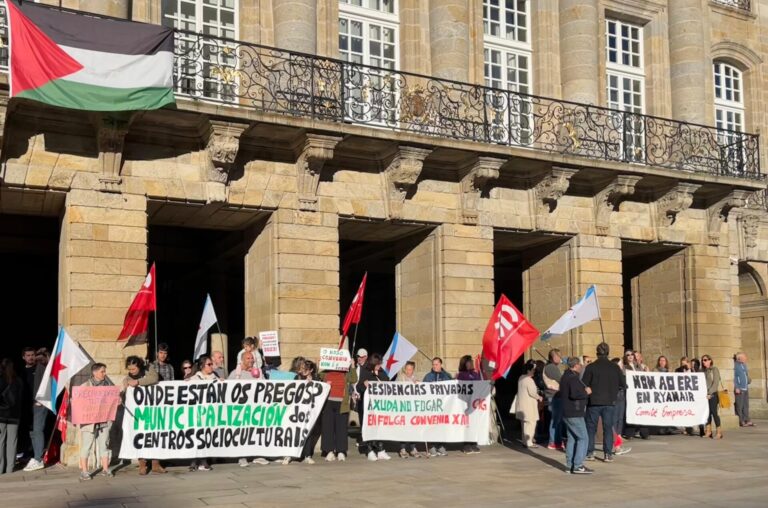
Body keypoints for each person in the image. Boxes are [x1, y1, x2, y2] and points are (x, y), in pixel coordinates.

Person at [582, 342, 624, 463]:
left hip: (594, 401)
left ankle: (590, 452)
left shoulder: (591, 367)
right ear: (608, 353)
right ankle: (607, 454)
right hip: (609, 401)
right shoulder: (614, 367)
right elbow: (623, 383)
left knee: (591, 428)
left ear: (597, 353)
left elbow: (584, 383)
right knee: (608, 428)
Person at [122, 356, 163, 475]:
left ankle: (155, 464)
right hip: (139, 413)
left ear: (139, 366)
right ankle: (142, 464)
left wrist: (138, 382)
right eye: (129, 369)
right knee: (140, 436)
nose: (132, 371)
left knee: (155, 435)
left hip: (153, 410)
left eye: (134, 369)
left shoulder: (148, 368)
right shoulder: (128, 377)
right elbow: (126, 388)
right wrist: (125, 387)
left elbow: (154, 378)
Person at [78, 363, 114, 481]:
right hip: (89, 422)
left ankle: (105, 469)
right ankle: (84, 471)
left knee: (104, 445)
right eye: (102, 371)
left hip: (103, 421)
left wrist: (117, 400)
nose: (104, 373)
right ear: (95, 372)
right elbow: (78, 402)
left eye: (104, 371)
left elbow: (112, 402)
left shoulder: (108, 385)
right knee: (86, 446)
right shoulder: (85, 386)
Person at [320, 357, 357, 463]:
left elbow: (354, 379)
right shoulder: (325, 373)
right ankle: (329, 451)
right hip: (328, 403)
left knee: (341, 428)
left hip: (342, 404)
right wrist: (319, 364)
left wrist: (352, 365)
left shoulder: (345, 373)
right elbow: (318, 376)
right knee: (328, 428)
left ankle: (341, 451)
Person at [560, 357, 593, 474]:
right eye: (580, 364)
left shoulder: (565, 376)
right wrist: (586, 392)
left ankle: (569, 465)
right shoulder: (572, 378)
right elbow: (574, 394)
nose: (581, 366)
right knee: (583, 437)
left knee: (572, 438)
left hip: (567, 412)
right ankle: (578, 465)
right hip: (574, 412)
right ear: (576, 366)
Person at [358, 353, 391, 461]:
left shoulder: (381, 371)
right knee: (369, 427)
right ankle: (369, 450)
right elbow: (359, 387)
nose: (379, 366)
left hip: (379, 406)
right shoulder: (365, 371)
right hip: (369, 407)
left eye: (380, 364)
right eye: (378, 364)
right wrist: (364, 384)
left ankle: (381, 450)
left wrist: (378, 374)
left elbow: (387, 381)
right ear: (373, 364)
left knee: (380, 427)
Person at [188, 355, 218, 471]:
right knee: (197, 436)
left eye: (212, 364)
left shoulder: (215, 378)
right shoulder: (194, 379)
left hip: (210, 413)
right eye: (209, 364)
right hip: (197, 413)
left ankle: (204, 461)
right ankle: (194, 461)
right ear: (202, 366)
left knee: (206, 436)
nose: (211, 366)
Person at [23, 347, 49, 472]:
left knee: (38, 430)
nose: (31, 357)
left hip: (39, 403)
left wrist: (41, 399)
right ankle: (35, 456)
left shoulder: (41, 367)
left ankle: (38, 459)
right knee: (32, 432)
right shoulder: (22, 371)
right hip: (27, 406)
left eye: (33, 355)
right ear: (23, 357)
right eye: (28, 355)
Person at [422, 357, 452, 457]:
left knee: (442, 426)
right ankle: (432, 446)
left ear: (441, 364)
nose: (434, 366)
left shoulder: (447, 376)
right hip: (432, 406)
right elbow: (423, 390)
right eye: (433, 364)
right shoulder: (428, 377)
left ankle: (441, 445)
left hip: (443, 407)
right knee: (432, 426)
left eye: (436, 364)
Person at [0, 358, 23, 474]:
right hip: (14, 415)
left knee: (0, 441)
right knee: (12, 441)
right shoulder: (19, 381)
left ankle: (0, 468)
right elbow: (21, 399)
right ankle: (10, 468)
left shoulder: (0, 380)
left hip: (1, 415)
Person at [513, 360, 542, 448]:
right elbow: (532, 393)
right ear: (528, 370)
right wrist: (539, 397)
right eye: (533, 370)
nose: (534, 372)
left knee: (524, 424)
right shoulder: (529, 380)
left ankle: (524, 441)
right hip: (529, 405)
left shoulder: (521, 378)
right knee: (531, 423)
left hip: (522, 404)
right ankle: (529, 442)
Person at [456, 355, 481, 454]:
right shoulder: (461, 375)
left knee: (474, 423)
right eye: (469, 362)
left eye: (472, 361)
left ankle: (473, 443)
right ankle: (466, 444)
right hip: (465, 403)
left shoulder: (476, 374)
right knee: (467, 424)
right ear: (464, 363)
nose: (471, 363)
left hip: (475, 403)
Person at [298, 360, 321, 464]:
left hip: (310, 411)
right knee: (297, 432)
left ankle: (307, 455)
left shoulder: (315, 379)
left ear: (311, 370)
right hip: (298, 410)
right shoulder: (298, 377)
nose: (303, 371)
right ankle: (292, 454)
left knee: (308, 432)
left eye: (306, 369)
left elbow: (320, 390)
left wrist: (312, 382)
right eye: (303, 368)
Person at [396, 361, 421, 458]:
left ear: (413, 370)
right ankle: (402, 448)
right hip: (403, 408)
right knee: (403, 428)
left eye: (410, 369)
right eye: (406, 369)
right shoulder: (400, 378)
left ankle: (413, 448)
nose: (408, 371)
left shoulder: (416, 379)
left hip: (413, 409)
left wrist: (418, 384)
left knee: (413, 428)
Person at [543, 349, 564, 450]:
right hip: (554, 395)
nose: (560, 358)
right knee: (556, 419)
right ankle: (553, 442)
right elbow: (561, 379)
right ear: (552, 357)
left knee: (557, 419)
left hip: (555, 395)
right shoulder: (551, 367)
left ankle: (557, 441)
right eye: (558, 356)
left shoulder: (551, 366)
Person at [702, 355, 723, 439]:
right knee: (707, 413)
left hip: (713, 394)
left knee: (714, 413)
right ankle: (708, 431)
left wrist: (710, 393)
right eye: (703, 360)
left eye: (705, 360)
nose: (704, 362)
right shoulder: (704, 371)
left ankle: (719, 432)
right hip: (705, 395)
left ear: (710, 360)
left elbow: (715, 383)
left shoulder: (714, 369)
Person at [733, 352, 754, 427]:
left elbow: (745, 375)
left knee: (746, 405)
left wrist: (749, 380)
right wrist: (736, 387)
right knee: (740, 405)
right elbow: (734, 377)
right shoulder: (735, 365)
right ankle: (741, 421)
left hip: (745, 387)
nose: (746, 358)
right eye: (744, 357)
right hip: (740, 388)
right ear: (739, 358)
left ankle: (746, 419)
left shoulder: (744, 365)